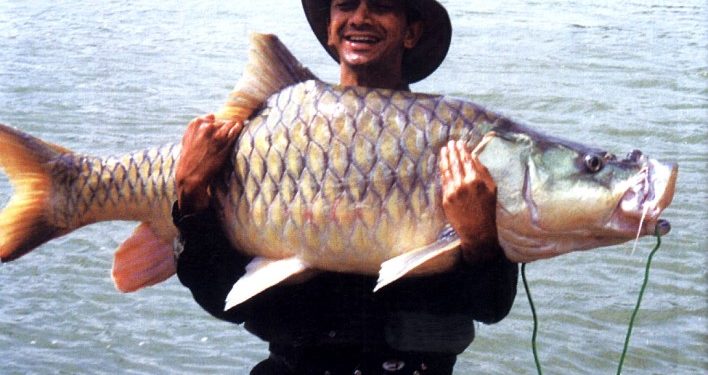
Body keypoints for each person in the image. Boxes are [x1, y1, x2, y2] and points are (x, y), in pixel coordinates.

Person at [173, 1, 518, 374]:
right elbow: (225, 298)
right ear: (330, 27)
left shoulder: (458, 147)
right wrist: (189, 196)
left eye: (382, 5)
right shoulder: (273, 135)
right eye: (345, 5)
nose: (360, 18)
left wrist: (481, 240)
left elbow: (491, 307)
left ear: (411, 32)